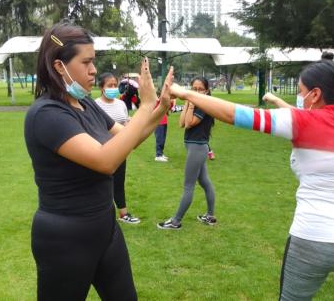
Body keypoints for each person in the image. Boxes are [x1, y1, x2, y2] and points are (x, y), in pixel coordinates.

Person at [169, 60, 334, 300]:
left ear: (315, 94)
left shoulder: (304, 122)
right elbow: (297, 115)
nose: (299, 98)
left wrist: (184, 92)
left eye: (301, 92)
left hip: (314, 238)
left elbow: (235, 114)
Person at [24, 22, 173, 299]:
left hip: (104, 229)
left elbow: (127, 139)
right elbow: (106, 161)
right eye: (87, 62)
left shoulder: (87, 104)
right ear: (59, 66)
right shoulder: (46, 114)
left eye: (94, 61)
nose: (94, 70)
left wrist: (158, 109)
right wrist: (142, 107)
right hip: (65, 239)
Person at [158, 77, 216, 230]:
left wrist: (190, 104)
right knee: (204, 181)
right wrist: (188, 104)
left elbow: (190, 123)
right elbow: (181, 123)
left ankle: (176, 221)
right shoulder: (195, 104)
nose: (196, 92)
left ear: (207, 91)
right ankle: (210, 216)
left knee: (188, 186)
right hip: (196, 148)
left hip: (198, 148)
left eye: (200, 89)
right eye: (194, 89)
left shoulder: (203, 106)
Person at [95, 72, 141, 224]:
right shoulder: (95, 105)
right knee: (101, 183)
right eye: (110, 85)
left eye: (115, 85)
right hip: (101, 150)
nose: (113, 88)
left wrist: (130, 124)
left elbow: (126, 123)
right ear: (102, 87)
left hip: (121, 150)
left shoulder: (121, 104)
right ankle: (102, 215)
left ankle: (123, 214)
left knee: (119, 182)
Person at [154, 95, 175, 162]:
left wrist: (171, 103)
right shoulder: (156, 101)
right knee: (159, 139)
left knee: (163, 139)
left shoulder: (163, 102)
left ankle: (161, 153)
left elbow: (169, 108)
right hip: (158, 123)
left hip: (164, 122)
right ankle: (158, 155)